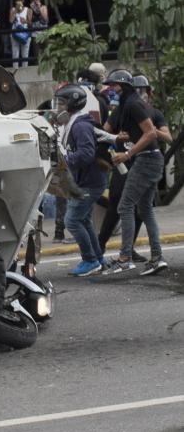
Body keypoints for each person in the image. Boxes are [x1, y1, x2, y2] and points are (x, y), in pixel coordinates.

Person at [101, 70, 168, 276]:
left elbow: (150, 133)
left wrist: (128, 153)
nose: (111, 89)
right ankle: (157, 258)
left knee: (125, 206)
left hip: (147, 160)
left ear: (124, 86)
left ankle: (125, 258)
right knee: (144, 209)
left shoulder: (133, 104)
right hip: (150, 159)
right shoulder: (127, 104)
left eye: (114, 86)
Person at [54, 85, 107, 277]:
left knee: (72, 220)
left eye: (61, 103)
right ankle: (98, 258)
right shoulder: (73, 123)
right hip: (87, 180)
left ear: (72, 104)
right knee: (83, 220)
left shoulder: (80, 125)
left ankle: (90, 260)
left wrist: (65, 161)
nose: (57, 106)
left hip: (89, 182)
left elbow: (86, 154)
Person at [9, 0, 32, 69]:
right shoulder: (12, 9)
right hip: (15, 34)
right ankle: (15, 69)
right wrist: (16, 10)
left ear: (23, 0)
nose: (19, 1)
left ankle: (25, 70)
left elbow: (30, 23)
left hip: (25, 34)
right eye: (17, 0)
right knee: (15, 53)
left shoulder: (28, 10)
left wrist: (25, 21)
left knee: (25, 53)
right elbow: (11, 20)